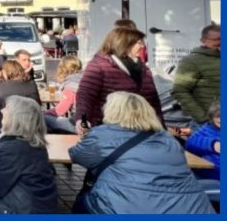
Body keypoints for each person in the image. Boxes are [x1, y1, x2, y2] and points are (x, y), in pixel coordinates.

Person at [69, 91, 214, 214]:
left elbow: (77, 155)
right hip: (191, 209)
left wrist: (88, 137)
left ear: (112, 111)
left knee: (83, 201)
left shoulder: (103, 134)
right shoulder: (168, 138)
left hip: (126, 209)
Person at [75, 26, 163, 135]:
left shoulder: (143, 68)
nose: (142, 46)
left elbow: (154, 102)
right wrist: (82, 121)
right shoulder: (99, 65)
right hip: (108, 130)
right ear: (124, 44)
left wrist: (162, 129)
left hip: (141, 131)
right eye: (139, 43)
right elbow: (85, 96)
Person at [0, 96, 57, 214]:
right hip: (43, 204)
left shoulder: (10, 147)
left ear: (16, 118)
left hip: (22, 209)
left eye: (7, 109)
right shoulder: (36, 142)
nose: (2, 111)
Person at [172, 24, 220, 131]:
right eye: (217, 39)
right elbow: (179, 91)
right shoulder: (191, 61)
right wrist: (202, 118)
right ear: (203, 40)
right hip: (208, 125)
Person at [44, 56, 83, 134]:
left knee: (42, 118)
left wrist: (42, 112)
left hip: (78, 127)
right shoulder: (85, 80)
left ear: (62, 69)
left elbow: (60, 110)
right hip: (93, 124)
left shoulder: (70, 86)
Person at [185, 101, 221, 182]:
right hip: (214, 173)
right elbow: (190, 143)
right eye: (218, 116)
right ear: (212, 117)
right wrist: (212, 145)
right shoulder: (208, 129)